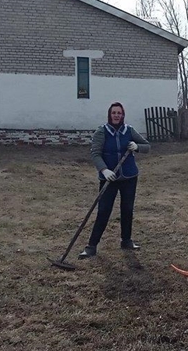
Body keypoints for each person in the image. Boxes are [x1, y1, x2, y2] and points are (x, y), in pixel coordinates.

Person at [79, 102, 150, 259]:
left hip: (129, 177)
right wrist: (104, 170)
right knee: (104, 211)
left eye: (119, 113)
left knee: (127, 209)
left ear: (122, 115)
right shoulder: (102, 132)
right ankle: (91, 246)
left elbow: (147, 146)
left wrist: (136, 146)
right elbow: (95, 154)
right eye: (114, 113)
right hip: (109, 178)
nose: (116, 115)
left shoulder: (129, 130)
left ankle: (126, 240)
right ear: (110, 115)